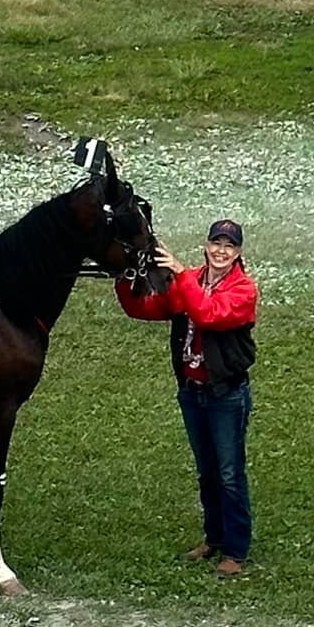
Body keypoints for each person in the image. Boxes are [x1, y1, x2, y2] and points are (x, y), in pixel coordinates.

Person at [115, 217, 257, 576]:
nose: (221, 251)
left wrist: (180, 273)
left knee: (229, 474)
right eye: (216, 243)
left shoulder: (243, 290)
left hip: (225, 394)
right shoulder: (190, 281)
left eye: (229, 246)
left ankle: (235, 551)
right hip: (193, 392)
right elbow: (146, 308)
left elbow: (207, 315)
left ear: (238, 253)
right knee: (207, 473)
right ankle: (214, 537)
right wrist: (124, 280)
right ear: (206, 246)